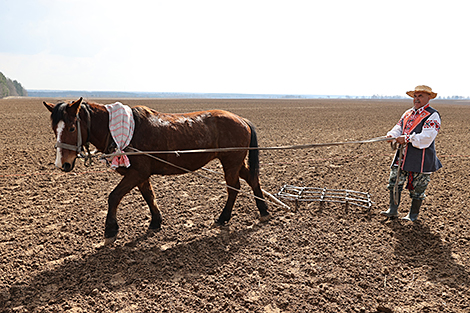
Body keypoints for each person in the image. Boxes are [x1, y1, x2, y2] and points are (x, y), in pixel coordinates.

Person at [380, 85, 442, 221]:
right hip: (402, 155)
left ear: (428, 98)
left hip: (421, 158)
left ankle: (412, 215)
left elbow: (427, 137)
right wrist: (391, 135)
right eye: (415, 96)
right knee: (394, 181)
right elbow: (399, 127)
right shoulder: (407, 113)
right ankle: (392, 210)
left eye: (420, 96)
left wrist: (407, 138)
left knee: (418, 187)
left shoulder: (433, 115)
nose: (417, 99)